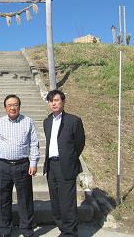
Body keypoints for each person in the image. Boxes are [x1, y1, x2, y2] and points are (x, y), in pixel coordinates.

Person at [0, 94, 39, 237]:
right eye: (9, 105)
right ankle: (5, 229)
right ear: (5, 107)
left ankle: (26, 229)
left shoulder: (28, 121)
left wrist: (33, 162)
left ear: (19, 106)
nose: (12, 107)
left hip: (22, 165)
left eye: (15, 105)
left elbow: (34, 143)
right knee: (3, 199)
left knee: (25, 199)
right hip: (4, 166)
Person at [43, 90, 85, 237]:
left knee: (67, 202)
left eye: (56, 100)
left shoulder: (74, 121)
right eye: (50, 101)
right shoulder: (47, 121)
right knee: (55, 201)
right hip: (51, 165)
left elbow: (79, 143)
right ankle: (63, 228)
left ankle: (70, 233)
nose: (53, 103)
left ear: (63, 102)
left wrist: (70, 158)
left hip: (66, 165)